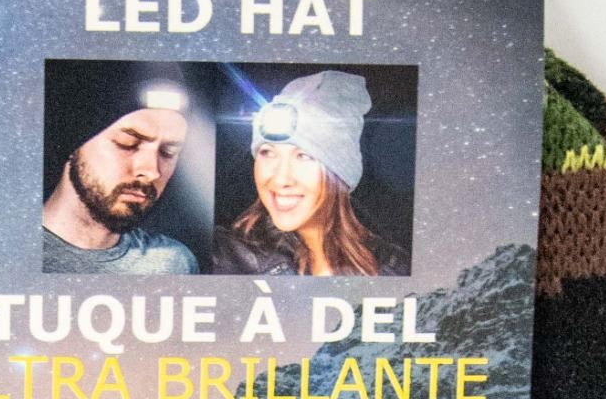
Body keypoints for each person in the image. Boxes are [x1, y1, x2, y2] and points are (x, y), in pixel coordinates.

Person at [212, 70, 407, 277]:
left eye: (304, 156)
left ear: (339, 171)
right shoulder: (227, 257)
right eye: (267, 152)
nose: (280, 179)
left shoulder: (394, 266)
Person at [42, 62, 199, 274]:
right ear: (74, 143)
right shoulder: (8, 252)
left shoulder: (175, 263)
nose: (152, 172)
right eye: (127, 144)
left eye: (168, 152)